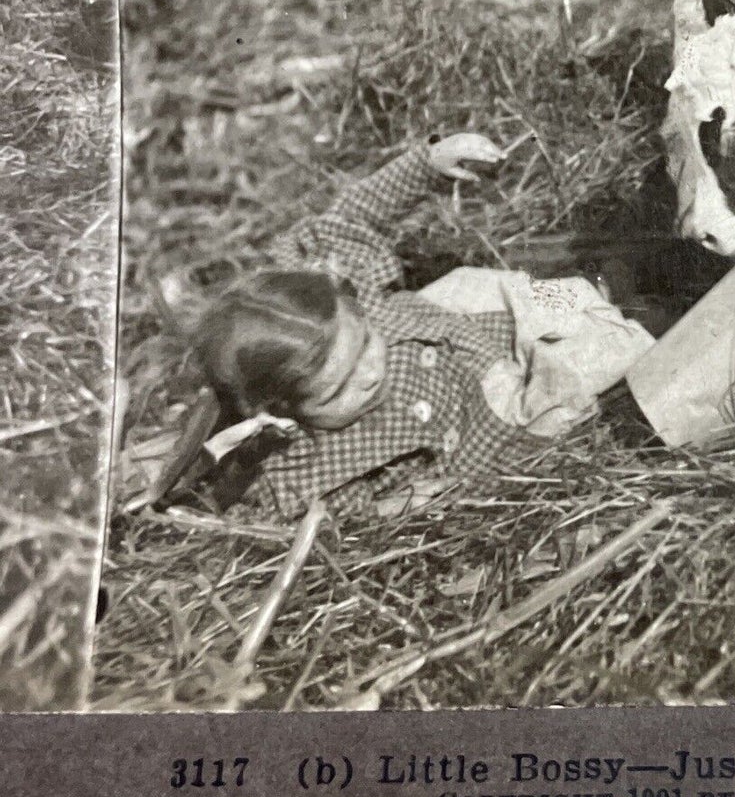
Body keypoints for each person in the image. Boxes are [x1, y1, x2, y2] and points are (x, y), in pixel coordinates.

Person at [165, 133, 653, 519]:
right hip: (483, 419)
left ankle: (617, 288)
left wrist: (428, 165)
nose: (369, 373)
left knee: (549, 294)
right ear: (282, 412)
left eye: (365, 343)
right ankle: (654, 332)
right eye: (338, 391)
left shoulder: (332, 292)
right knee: (589, 373)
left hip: (469, 322)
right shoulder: (307, 467)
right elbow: (327, 520)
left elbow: (354, 215)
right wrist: (390, 509)